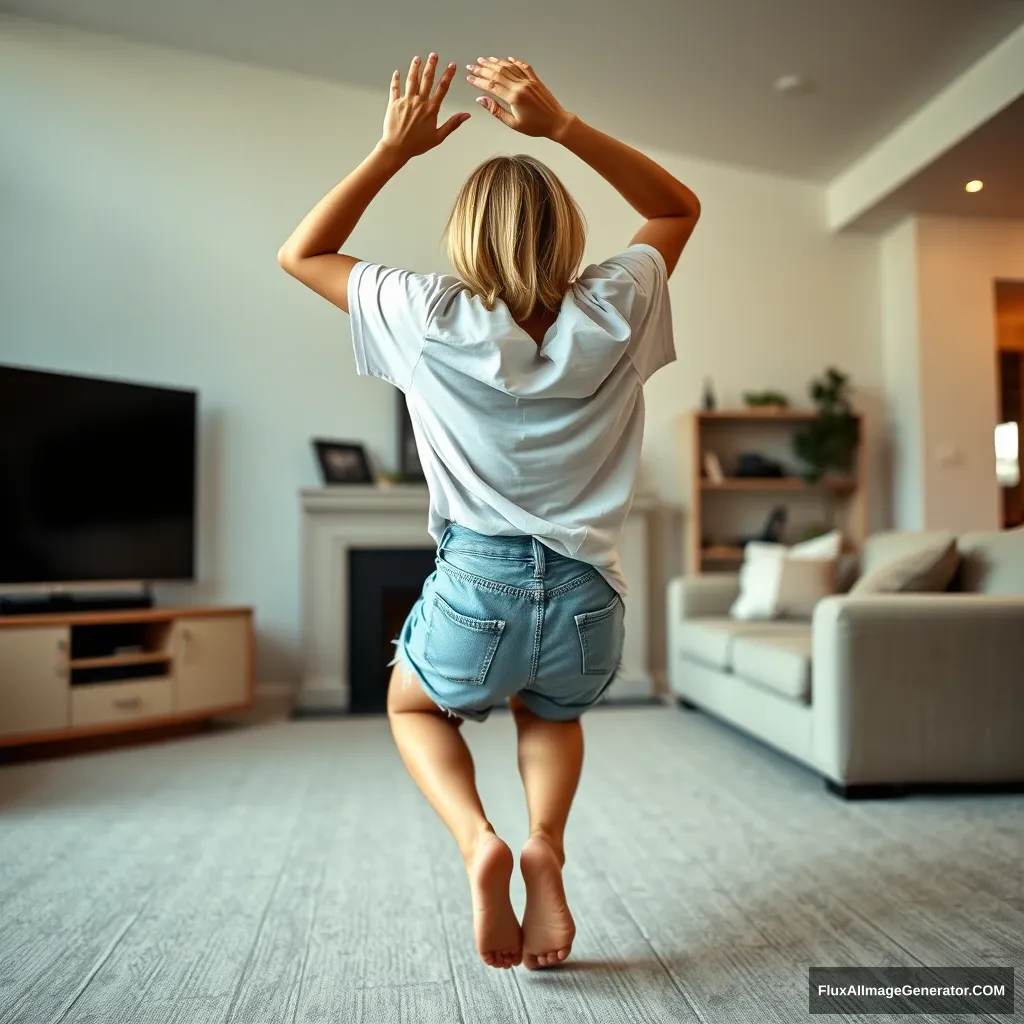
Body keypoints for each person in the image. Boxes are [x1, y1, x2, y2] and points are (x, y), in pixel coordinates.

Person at [278, 53, 700, 970]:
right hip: (591, 594)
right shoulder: (621, 302)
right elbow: (677, 208)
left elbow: (301, 252)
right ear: (566, 233)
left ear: (465, 235)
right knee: (550, 714)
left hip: (478, 580)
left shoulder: (426, 314)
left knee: (414, 708)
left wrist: (393, 151)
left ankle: (481, 843)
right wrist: (563, 127)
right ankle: (545, 841)